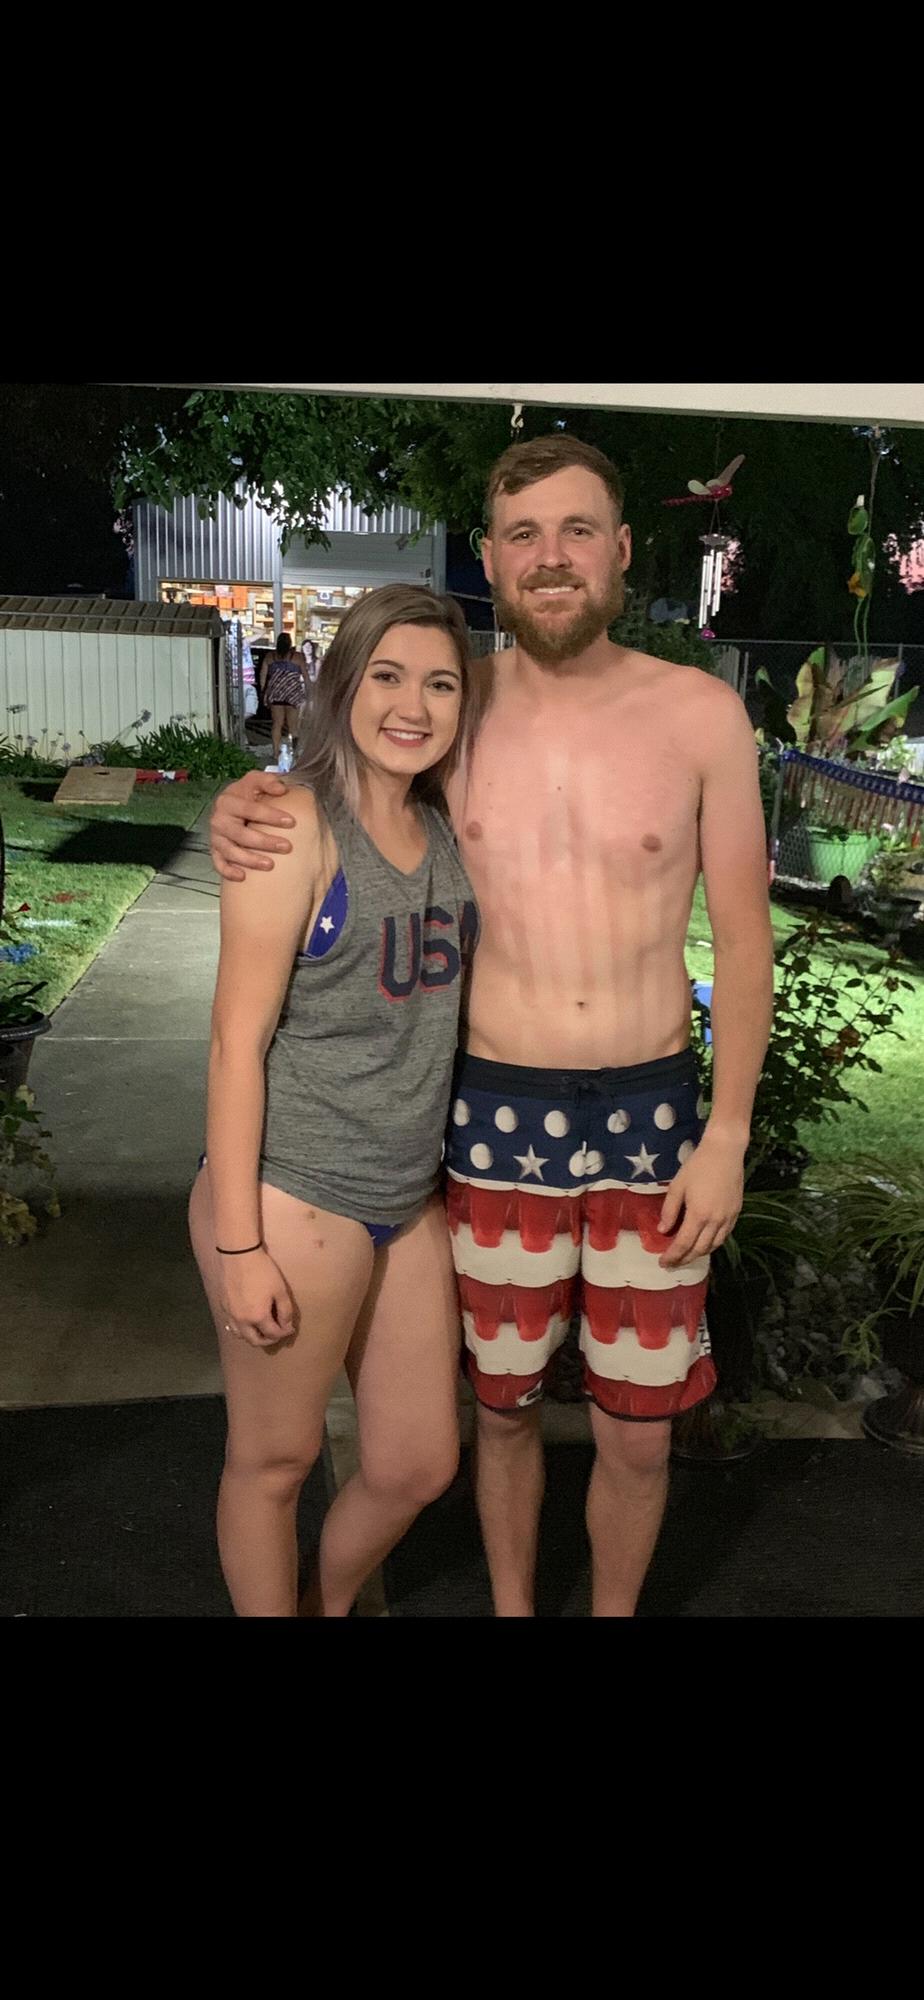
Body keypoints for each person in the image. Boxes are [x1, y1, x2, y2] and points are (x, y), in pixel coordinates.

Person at [208, 434, 775, 1618]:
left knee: (639, 1429)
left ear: (622, 549)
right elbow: (345, 775)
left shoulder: (701, 714)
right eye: (524, 534)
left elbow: (744, 937)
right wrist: (248, 797)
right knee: (502, 1409)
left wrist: (725, 1133)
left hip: (653, 1116)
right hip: (491, 1115)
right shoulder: (455, 703)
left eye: (578, 530)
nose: (551, 556)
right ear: (492, 556)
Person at [189, 582, 479, 1616]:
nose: (413, 704)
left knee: (417, 1462)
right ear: (343, 683)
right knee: (275, 1460)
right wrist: (239, 1244)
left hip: (405, 1192)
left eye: (440, 684)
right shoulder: (289, 826)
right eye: (388, 675)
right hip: (293, 1189)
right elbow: (234, 1043)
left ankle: (325, 1600)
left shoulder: (442, 824)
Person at [259, 632, 310, 760]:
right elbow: (305, 676)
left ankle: (276, 753)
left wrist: (264, 691)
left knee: (277, 724)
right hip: (292, 694)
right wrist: (309, 691)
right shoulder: (297, 657)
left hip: (276, 694)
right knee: (293, 727)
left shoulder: (270, 657)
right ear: (290, 643)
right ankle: (296, 753)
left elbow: (263, 675)